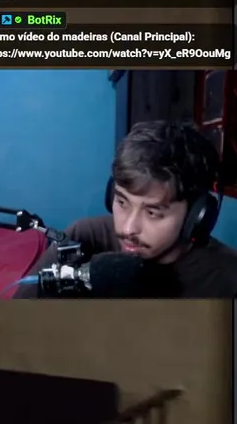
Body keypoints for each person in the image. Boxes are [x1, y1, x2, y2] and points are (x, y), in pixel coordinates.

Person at [15, 120, 237, 298]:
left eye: (152, 212)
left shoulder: (228, 277)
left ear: (195, 218)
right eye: (122, 202)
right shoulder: (81, 238)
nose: (128, 228)